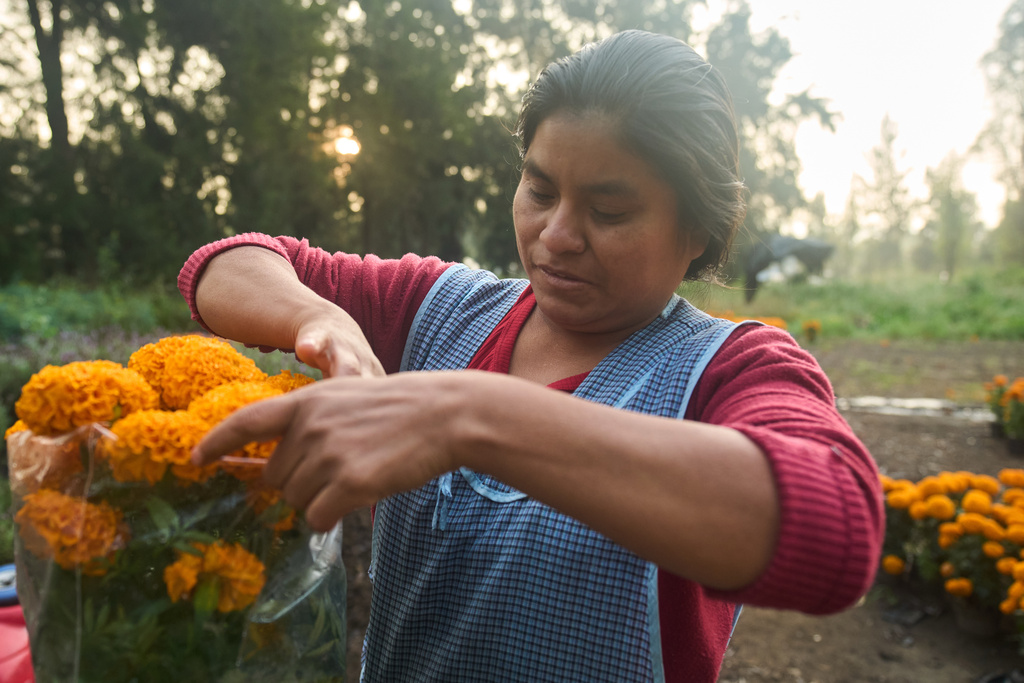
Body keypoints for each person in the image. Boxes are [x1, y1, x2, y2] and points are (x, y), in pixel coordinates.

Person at [180, 30, 884, 683]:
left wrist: (471, 416)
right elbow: (224, 266)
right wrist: (320, 317)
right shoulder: (441, 308)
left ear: (698, 228)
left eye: (608, 212)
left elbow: (838, 533)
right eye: (540, 190)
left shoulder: (728, 368)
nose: (557, 235)